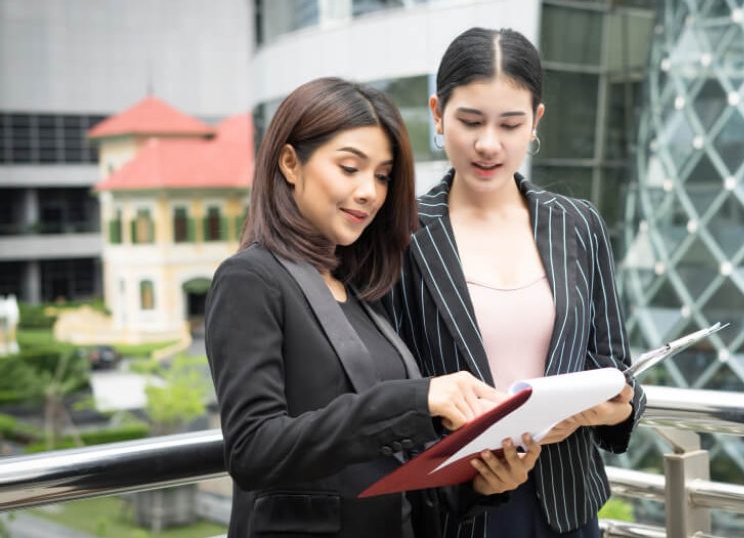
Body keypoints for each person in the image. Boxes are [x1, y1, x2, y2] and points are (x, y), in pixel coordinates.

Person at [205, 77, 541, 538]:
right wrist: (416, 399)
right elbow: (253, 449)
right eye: (350, 168)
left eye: (382, 176)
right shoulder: (251, 279)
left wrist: (481, 483)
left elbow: (385, 465)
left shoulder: (359, 288)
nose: (370, 192)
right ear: (289, 163)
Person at [387, 28, 646, 538]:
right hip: (459, 506)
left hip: (566, 504)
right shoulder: (403, 234)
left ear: (535, 122)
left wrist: (618, 405)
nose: (489, 144)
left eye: (510, 124)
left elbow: (614, 365)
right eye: (469, 121)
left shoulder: (578, 225)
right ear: (438, 114)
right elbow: (390, 388)